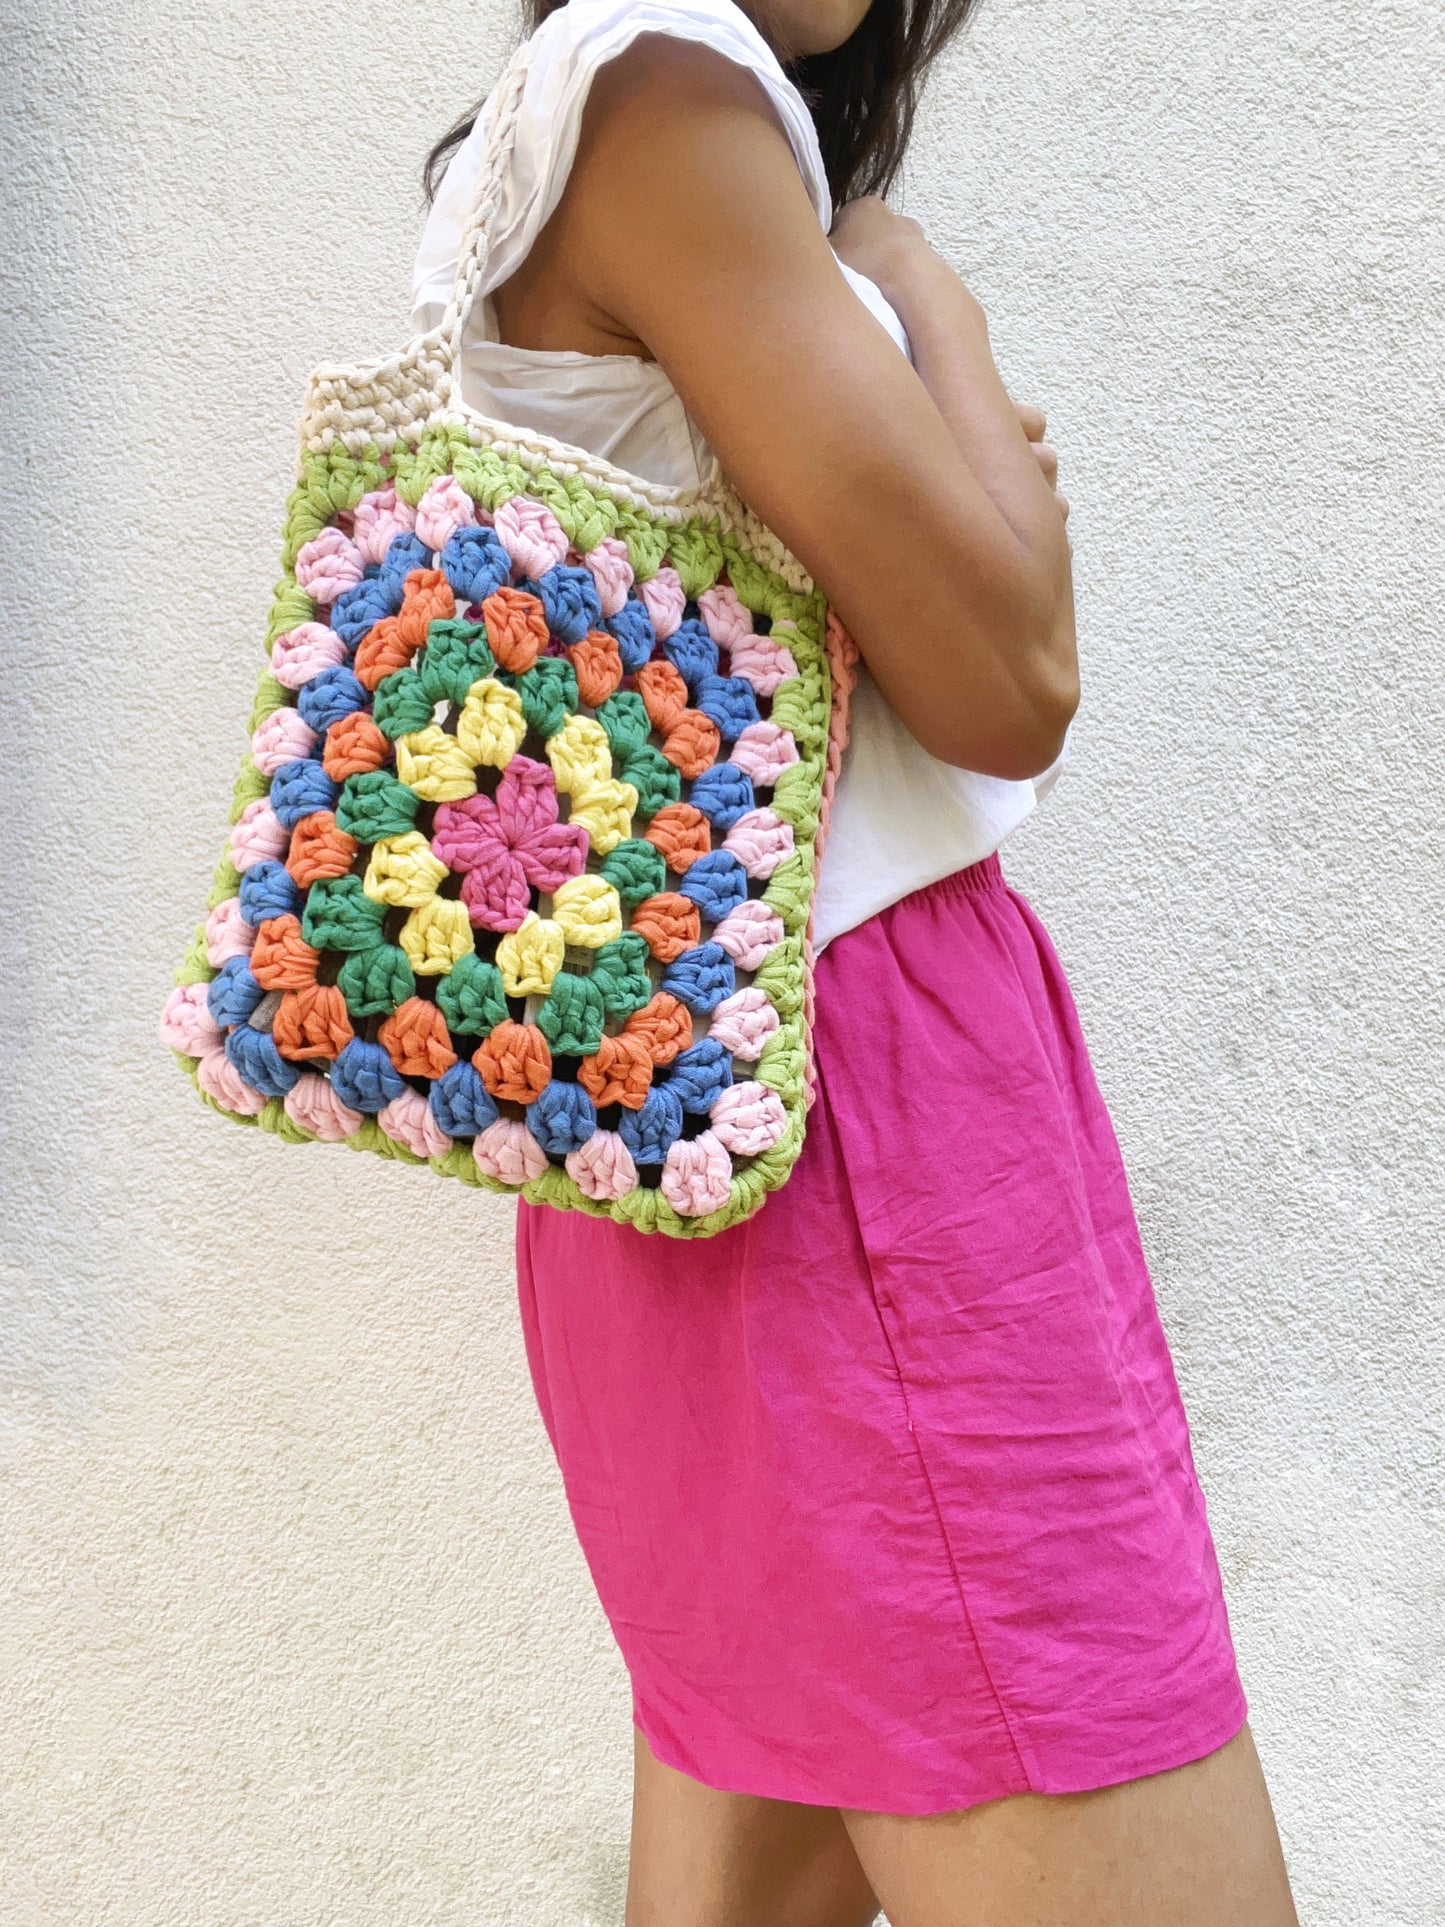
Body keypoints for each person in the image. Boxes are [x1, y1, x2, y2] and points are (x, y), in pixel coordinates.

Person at [411, 2, 1300, 1921]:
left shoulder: (610, 126)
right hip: (853, 1130)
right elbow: (1007, 678)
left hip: (694, 1112)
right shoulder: (664, 96)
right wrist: (933, 318)